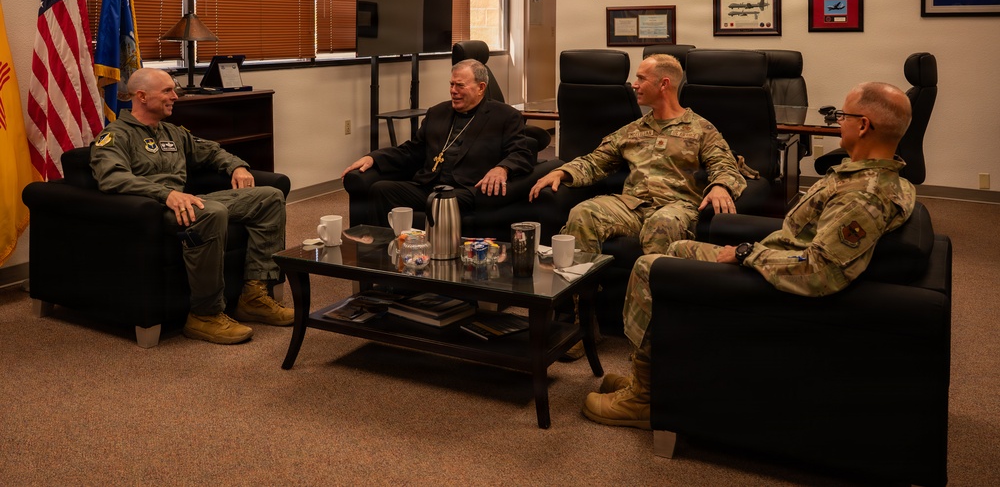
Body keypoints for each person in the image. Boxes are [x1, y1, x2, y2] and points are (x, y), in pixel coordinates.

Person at [582, 81, 917, 430]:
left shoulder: (863, 196)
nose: (837, 123)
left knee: (650, 267)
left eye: (842, 116)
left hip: (772, 286)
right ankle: (654, 374)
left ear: (863, 125)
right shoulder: (870, 177)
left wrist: (746, 254)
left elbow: (820, 271)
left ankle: (643, 398)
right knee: (677, 249)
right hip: (774, 263)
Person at [91, 68, 292, 345]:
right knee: (211, 212)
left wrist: (237, 167)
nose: (175, 96)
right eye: (167, 91)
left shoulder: (173, 132)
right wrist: (166, 194)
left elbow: (211, 151)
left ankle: (254, 297)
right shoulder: (115, 135)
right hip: (152, 211)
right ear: (142, 96)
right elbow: (112, 177)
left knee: (269, 197)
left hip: (186, 203)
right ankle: (204, 315)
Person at [528, 53, 748, 256]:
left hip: (676, 207)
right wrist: (562, 172)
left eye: (642, 78)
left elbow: (724, 166)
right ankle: (580, 284)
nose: (634, 84)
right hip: (631, 206)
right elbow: (595, 162)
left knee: (661, 224)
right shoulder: (633, 130)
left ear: (664, 84)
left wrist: (721, 186)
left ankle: (652, 285)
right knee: (584, 212)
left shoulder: (701, 129)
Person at [341, 59, 534, 222]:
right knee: (381, 190)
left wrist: (503, 168)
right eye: (451, 84)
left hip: (466, 189)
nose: (453, 91)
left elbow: (521, 153)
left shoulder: (504, 116)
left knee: (442, 201)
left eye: (460, 85)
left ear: (481, 88)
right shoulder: (437, 112)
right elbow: (412, 150)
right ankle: (380, 249)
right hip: (429, 185)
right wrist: (373, 158)